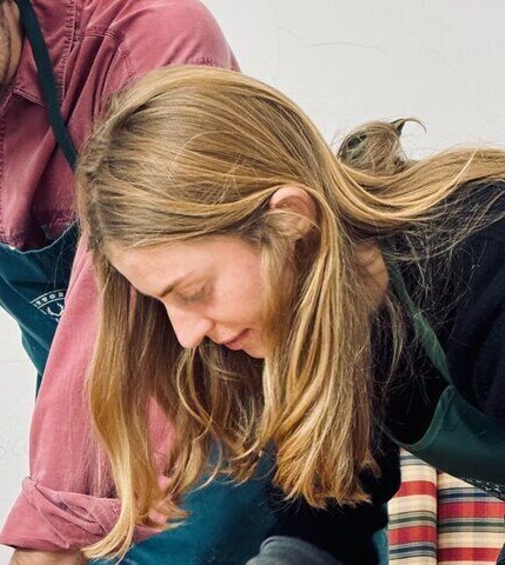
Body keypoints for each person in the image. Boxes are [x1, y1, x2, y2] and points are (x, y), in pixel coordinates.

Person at [0, 1, 397, 562]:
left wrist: (51, 537)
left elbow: (104, 332)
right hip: (77, 411)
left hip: (224, 395)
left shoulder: (145, 38)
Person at [76, 64, 505, 562]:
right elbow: (330, 510)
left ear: (289, 219)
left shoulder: (483, 260)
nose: (187, 334)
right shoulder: (323, 315)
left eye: (193, 291)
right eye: (161, 302)